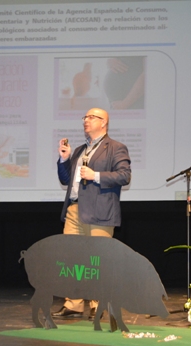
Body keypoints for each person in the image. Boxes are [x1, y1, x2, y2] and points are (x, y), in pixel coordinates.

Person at [53, 107, 132, 318]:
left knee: (97, 260)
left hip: (100, 210)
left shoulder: (115, 147)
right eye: (85, 117)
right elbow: (66, 180)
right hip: (74, 209)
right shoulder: (80, 150)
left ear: (103, 122)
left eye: (91, 117)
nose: (85, 120)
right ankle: (74, 303)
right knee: (72, 259)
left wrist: (95, 175)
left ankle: (99, 304)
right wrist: (64, 159)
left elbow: (124, 176)